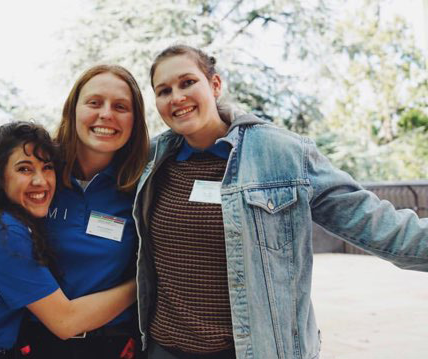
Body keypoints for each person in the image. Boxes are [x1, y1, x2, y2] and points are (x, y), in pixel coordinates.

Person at [133, 44, 428, 359]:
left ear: (215, 85)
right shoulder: (151, 161)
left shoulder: (282, 153)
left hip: (254, 351)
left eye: (187, 82)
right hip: (165, 349)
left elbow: (372, 221)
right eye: (163, 90)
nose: (176, 96)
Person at [0, 66, 150, 359]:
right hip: (30, 342)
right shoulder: (37, 170)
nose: (106, 114)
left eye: (120, 106)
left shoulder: (144, 183)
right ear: (72, 110)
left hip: (108, 345)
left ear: (135, 120)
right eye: (94, 102)